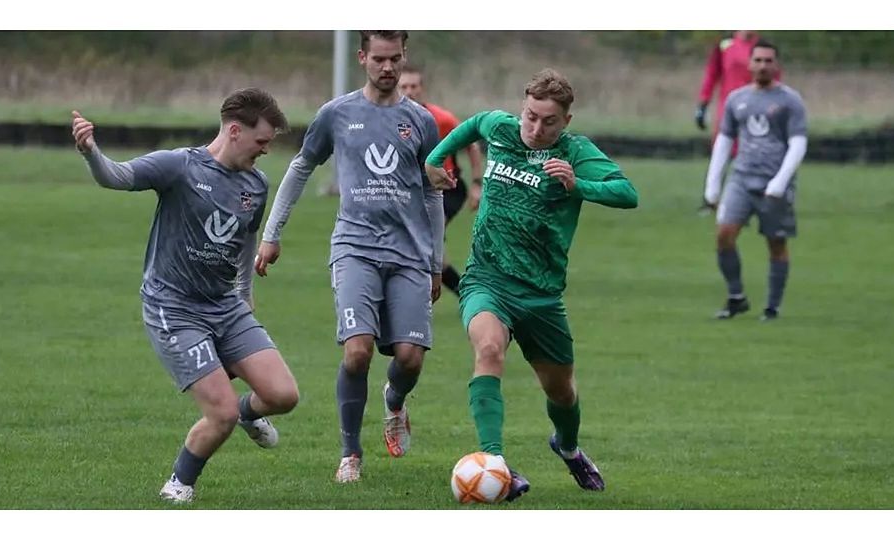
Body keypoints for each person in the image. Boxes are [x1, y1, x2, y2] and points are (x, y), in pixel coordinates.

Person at [70, 88, 300, 504]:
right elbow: (117, 177)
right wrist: (90, 152)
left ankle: (250, 415)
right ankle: (178, 485)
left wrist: (244, 296)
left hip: (225, 306)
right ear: (234, 131)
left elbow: (245, 244)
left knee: (284, 396)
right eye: (261, 141)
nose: (266, 151)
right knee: (221, 413)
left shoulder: (257, 184)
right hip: (174, 308)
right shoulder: (178, 166)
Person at [424, 69, 639, 501]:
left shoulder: (575, 152)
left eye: (549, 122)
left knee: (561, 391)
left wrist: (579, 185)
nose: (536, 129)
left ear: (566, 122)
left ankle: (568, 446)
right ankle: (495, 464)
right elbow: (470, 125)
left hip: (541, 294)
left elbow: (627, 192)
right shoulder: (499, 128)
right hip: (487, 279)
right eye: (530, 116)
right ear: (522, 107)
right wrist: (435, 160)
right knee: (488, 350)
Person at [254, 31, 444, 483]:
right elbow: (301, 167)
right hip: (355, 247)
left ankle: (394, 402)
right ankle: (350, 455)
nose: (387, 67)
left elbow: (433, 192)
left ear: (404, 57)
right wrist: (271, 234)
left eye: (395, 58)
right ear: (362, 58)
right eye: (378, 58)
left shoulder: (420, 121)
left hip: (410, 254)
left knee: (411, 357)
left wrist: (436, 260)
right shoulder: (337, 114)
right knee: (357, 352)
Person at [702, 40, 808, 321]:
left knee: (776, 243)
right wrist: (712, 185)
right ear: (749, 64)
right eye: (758, 60)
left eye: (768, 61)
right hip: (741, 179)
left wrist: (781, 181)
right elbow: (724, 141)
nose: (762, 66)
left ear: (777, 65)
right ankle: (736, 297)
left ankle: (772, 307)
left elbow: (798, 144)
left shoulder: (790, 101)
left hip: (774, 184)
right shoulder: (736, 99)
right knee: (724, 235)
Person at [399, 65, 484, 297]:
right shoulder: (394, 119)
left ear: (422, 88)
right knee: (432, 250)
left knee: (424, 239)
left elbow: (472, 144)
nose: (409, 91)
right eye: (404, 86)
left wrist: (477, 184)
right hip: (415, 192)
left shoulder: (441, 118)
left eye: (414, 86)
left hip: (449, 189)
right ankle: (468, 293)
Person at [696, 31, 780, 213]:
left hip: (757, 110)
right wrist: (703, 103)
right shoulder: (725, 46)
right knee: (720, 154)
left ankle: (756, 200)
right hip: (728, 109)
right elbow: (712, 74)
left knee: (756, 154)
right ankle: (711, 199)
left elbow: (775, 77)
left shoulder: (762, 49)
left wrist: (776, 105)